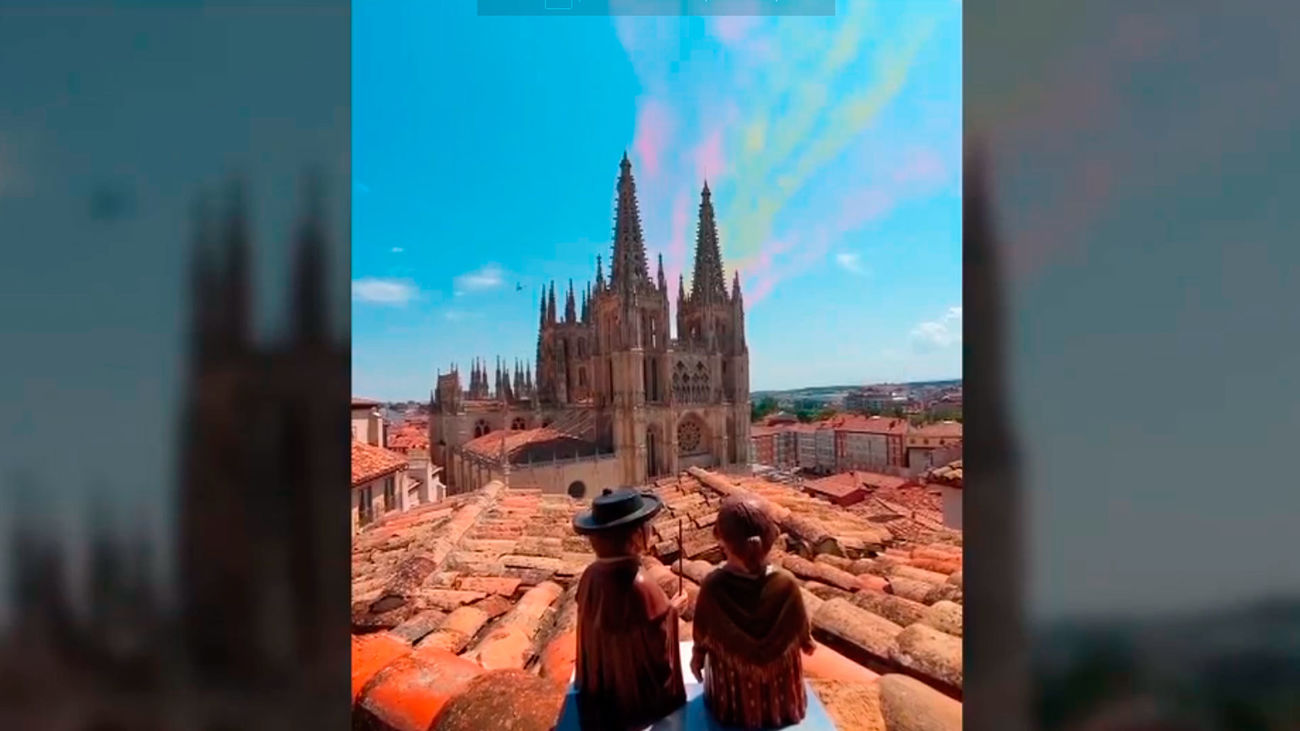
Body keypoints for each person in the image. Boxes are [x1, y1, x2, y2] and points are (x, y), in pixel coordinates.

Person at [690, 494, 815, 729]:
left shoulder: (713, 586)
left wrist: (697, 657)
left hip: (731, 706)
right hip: (783, 705)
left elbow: (701, 636)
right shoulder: (787, 584)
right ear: (773, 537)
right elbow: (803, 636)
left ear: (721, 540)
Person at [573, 487, 688, 730]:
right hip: (636, 706)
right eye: (647, 527)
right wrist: (672, 611)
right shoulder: (641, 585)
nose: (652, 532)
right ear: (636, 537)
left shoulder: (590, 576)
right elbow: (656, 646)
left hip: (601, 696)